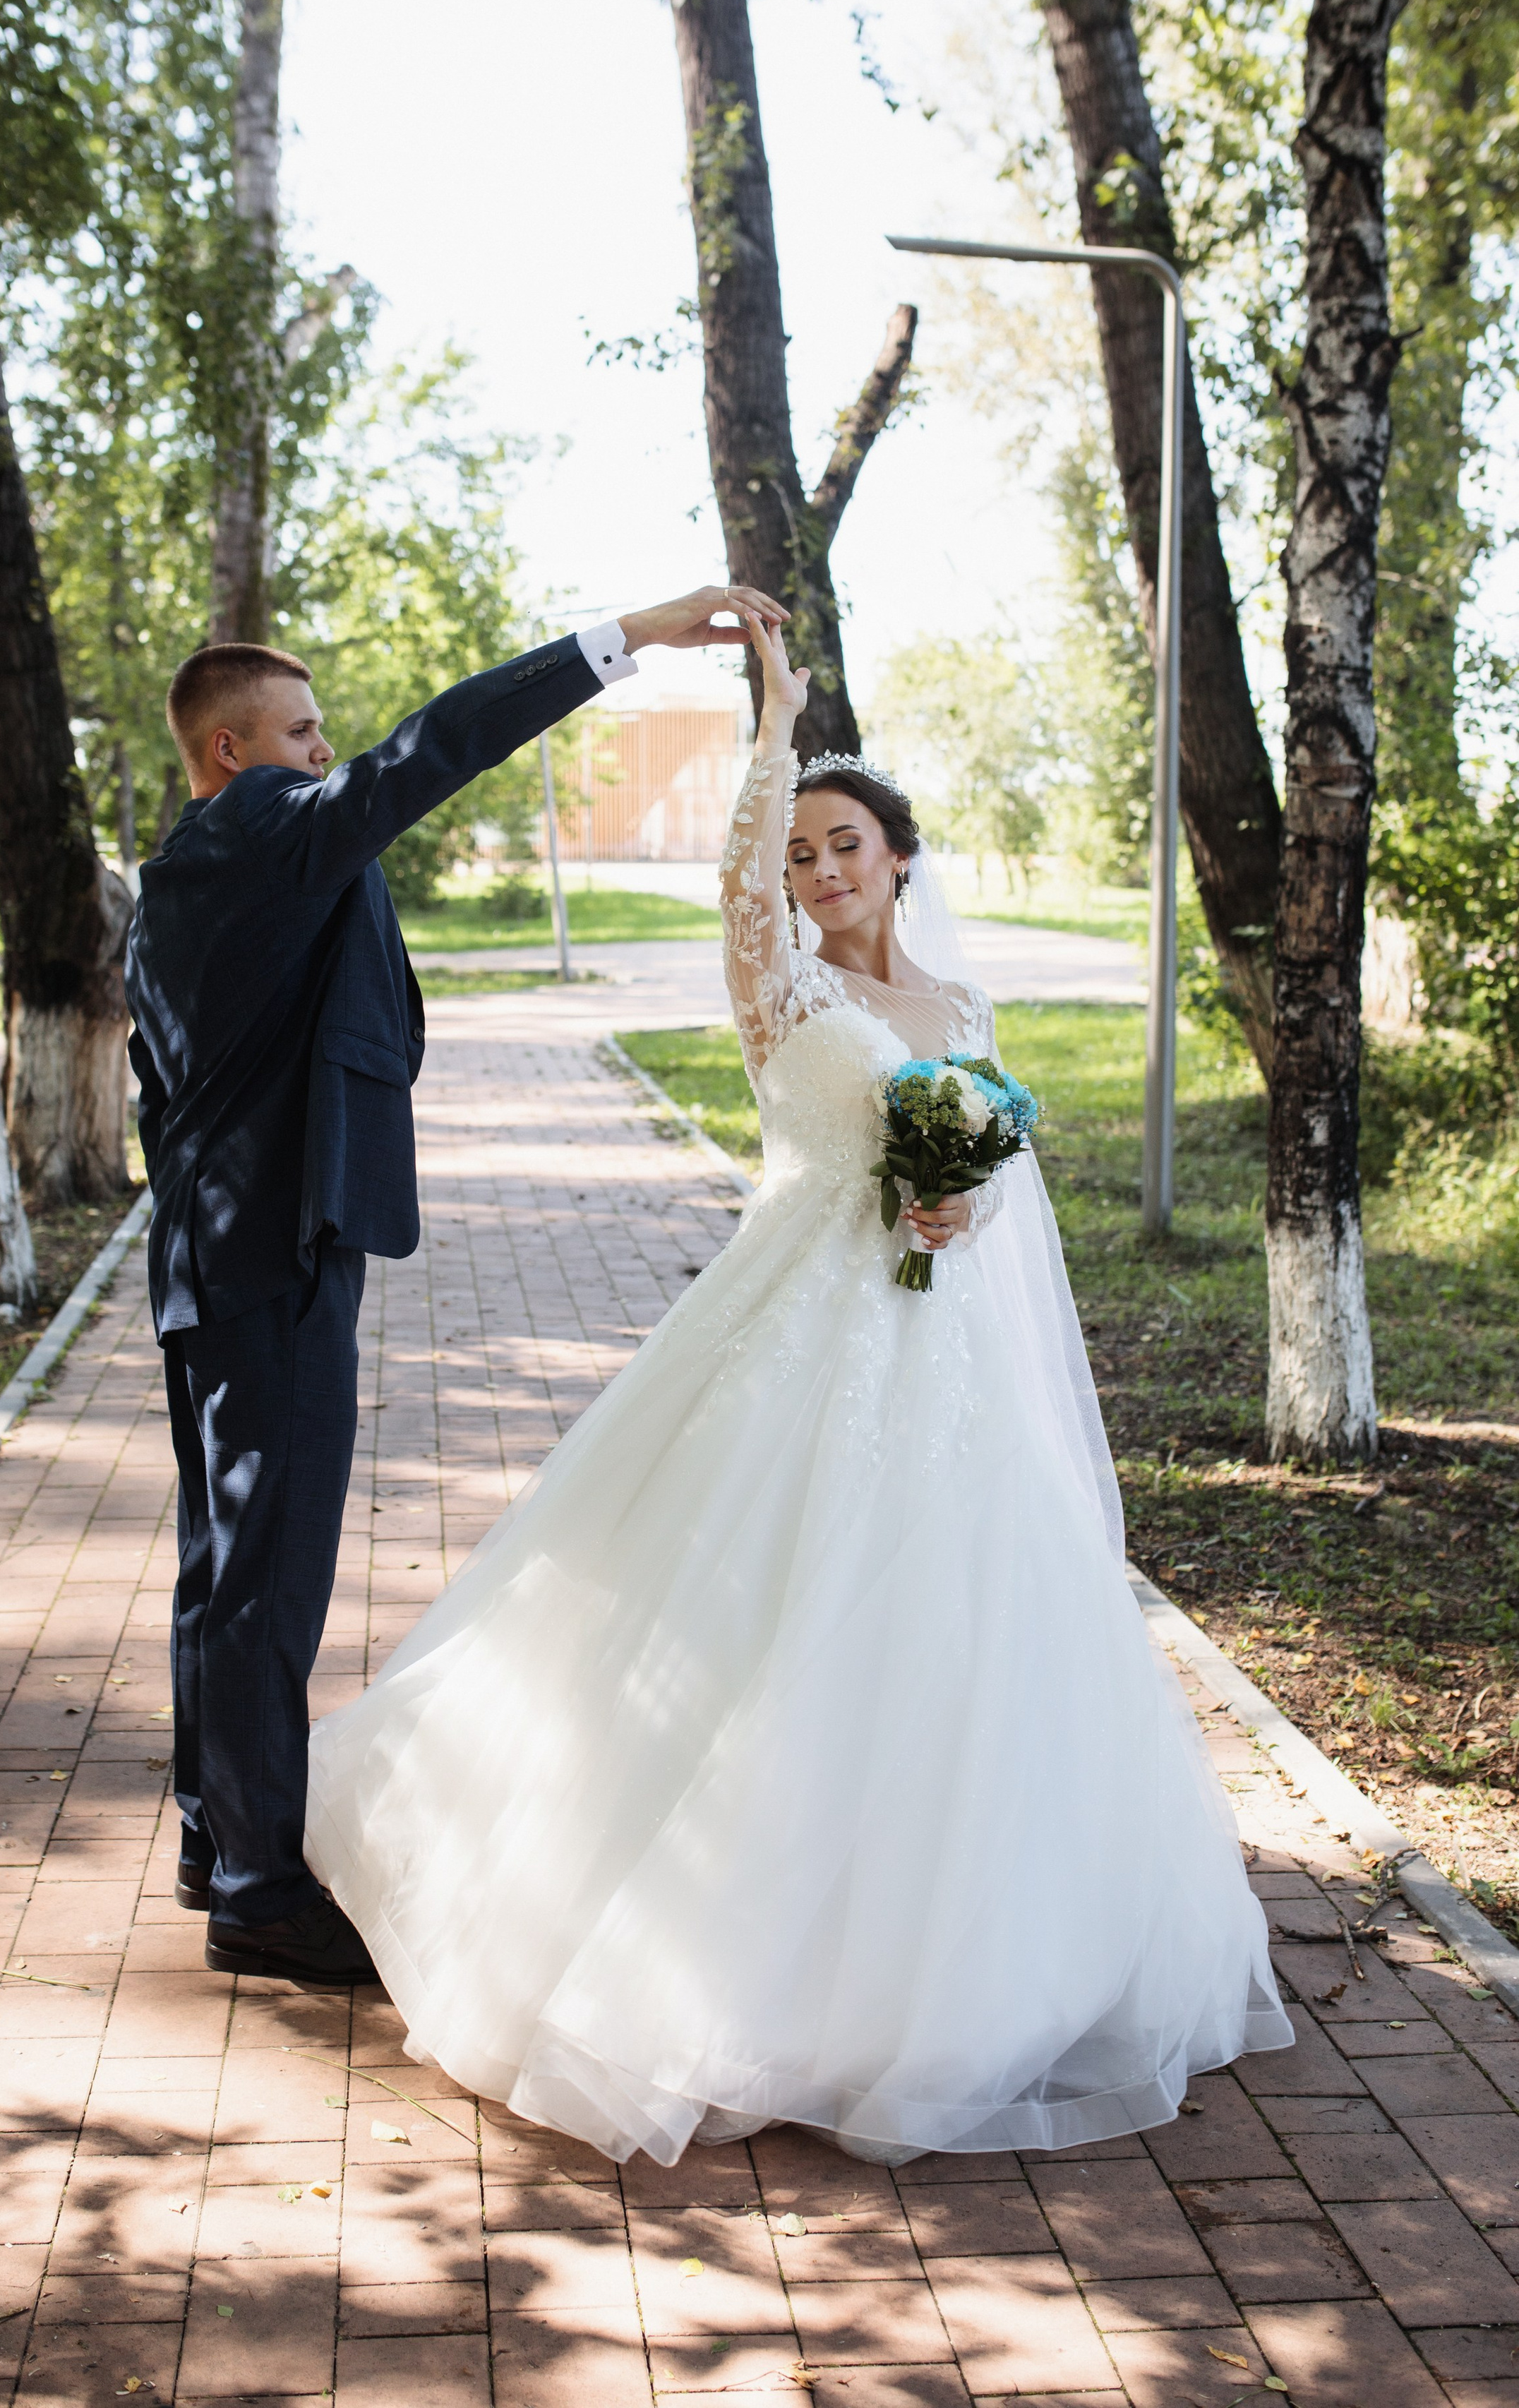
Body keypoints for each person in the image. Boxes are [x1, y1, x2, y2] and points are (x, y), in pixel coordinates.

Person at [304, 609, 1292, 2164]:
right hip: (791, 1331)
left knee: (957, 1634)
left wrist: (960, 1206)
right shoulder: (786, 992)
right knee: (747, 1607)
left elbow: (1000, 1190)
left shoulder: (960, 1014)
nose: (821, 873)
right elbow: (738, 887)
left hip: (941, 1362)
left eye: (846, 848)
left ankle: (949, 1968)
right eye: (799, 856)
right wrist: (774, 719)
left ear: (899, 860)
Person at [125, 586, 783, 1989]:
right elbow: (434, 748)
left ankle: (214, 1835)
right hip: (274, 1259)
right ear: (233, 752)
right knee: (267, 1582)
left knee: (217, 1570)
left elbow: (161, 1091)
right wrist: (629, 636)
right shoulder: (271, 828)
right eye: (302, 733)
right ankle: (257, 1894)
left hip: (203, 1256)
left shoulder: (177, 872)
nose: (326, 753)